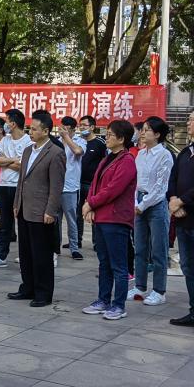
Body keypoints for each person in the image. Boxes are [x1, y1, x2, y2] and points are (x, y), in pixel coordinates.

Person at [9, 110, 65, 307]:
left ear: (46, 131)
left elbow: (56, 186)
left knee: (41, 254)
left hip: (42, 211)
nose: (30, 132)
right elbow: (21, 181)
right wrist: (16, 203)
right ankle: (28, 287)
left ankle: (43, 293)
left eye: (34, 129)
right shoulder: (27, 151)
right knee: (25, 252)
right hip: (24, 208)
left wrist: (51, 210)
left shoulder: (56, 153)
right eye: (30, 128)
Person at [81, 120, 136, 320]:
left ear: (121, 139)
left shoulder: (127, 161)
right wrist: (89, 204)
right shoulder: (107, 158)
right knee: (104, 263)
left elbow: (113, 190)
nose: (107, 137)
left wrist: (90, 203)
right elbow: (95, 184)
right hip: (102, 217)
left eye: (111, 134)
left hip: (116, 219)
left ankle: (119, 305)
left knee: (118, 265)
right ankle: (103, 300)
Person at [127, 116, 173, 306]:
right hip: (139, 201)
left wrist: (142, 205)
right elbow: (136, 182)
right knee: (140, 248)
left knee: (158, 251)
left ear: (157, 134)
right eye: (143, 129)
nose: (143, 133)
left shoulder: (164, 155)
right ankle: (140, 286)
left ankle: (159, 291)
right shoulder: (141, 154)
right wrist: (134, 202)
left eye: (147, 130)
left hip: (155, 205)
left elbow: (160, 188)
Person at [0, 109, 32, 268]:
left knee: (23, 223)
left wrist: (6, 161)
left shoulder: (28, 142)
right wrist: (13, 160)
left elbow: (24, 166)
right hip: (4, 186)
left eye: (7, 121)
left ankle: (25, 256)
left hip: (20, 187)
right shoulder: (5, 140)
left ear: (14, 124)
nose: (5, 124)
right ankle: (1, 256)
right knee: (5, 224)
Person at [168, 111, 194, 327]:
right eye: (189, 119)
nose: (188, 122)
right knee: (187, 266)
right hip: (183, 218)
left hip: (189, 213)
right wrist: (173, 200)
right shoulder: (185, 152)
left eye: (192, 119)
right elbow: (173, 179)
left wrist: (182, 201)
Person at [58, 116, 87, 260]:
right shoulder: (56, 141)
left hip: (70, 187)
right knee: (55, 220)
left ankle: (74, 248)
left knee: (71, 219)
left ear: (72, 129)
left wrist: (66, 138)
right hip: (55, 186)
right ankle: (54, 247)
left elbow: (77, 152)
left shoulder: (80, 141)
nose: (62, 130)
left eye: (65, 128)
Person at [76, 115, 107, 249]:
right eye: (80, 125)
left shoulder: (100, 143)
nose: (81, 127)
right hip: (78, 183)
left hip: (92, 184)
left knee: (94, 212)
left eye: (84, 125)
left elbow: (105, 163)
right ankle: (77, 240)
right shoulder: (77, 141)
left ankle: (96, 242)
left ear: (92, 127)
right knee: (77, 213)